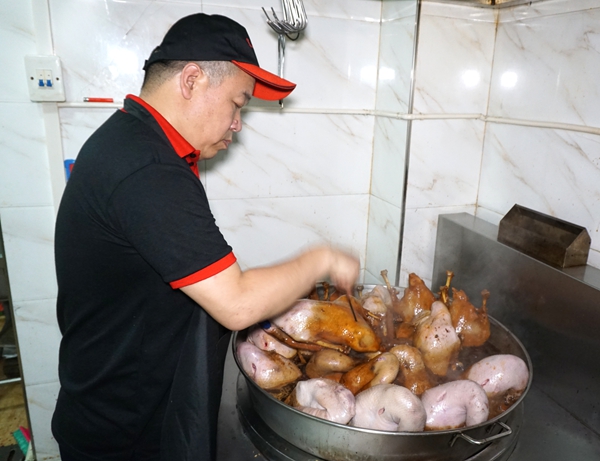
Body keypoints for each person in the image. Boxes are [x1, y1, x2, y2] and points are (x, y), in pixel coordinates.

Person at [52, 12, 359, 461]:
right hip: (125, 434)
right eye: (237, 103)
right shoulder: (147, 168)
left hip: (130, 407)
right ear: (192, 80)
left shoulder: (136, 144)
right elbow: (236, 303)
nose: (238, 123)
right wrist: (323, 258)